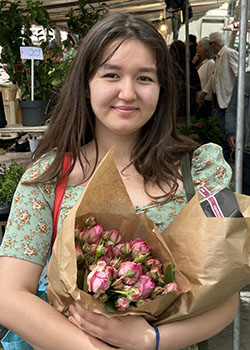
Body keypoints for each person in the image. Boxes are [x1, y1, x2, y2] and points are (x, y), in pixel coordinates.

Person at [0, 12, 238, 350]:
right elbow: (9, 295)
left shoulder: (202, 170)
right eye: (111, 75)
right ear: (86, 84)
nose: (127, 93)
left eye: (144, 78)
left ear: (161, 88)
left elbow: (227, 293)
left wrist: (150, 339)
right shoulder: (47, 178)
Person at [198, 32, 238, 161]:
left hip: (228, 100)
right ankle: (225, 155)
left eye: (210, 43)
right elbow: (213, 78)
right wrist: (204, 92)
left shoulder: (229, 54)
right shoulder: (218, 57)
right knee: (220, 128)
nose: (210, 46)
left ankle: (228, 155)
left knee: (227, 130)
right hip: (219, 100)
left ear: (215, 44)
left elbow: (238, 75)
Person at [225, 71, 250, 195]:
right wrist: (231, 131)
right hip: (246, 149)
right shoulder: (243, 79)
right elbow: (232, 109)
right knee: (245, 196)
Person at [169, 40, 201, 123]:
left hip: (171, 107)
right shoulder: (190, 67)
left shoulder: (168, 67)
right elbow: (198, 88)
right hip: (189, 107)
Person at [192, 38, 215, 119]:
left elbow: (211, 80)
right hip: (197, 98)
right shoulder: (200, 63)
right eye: (197, 46)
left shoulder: (210, 63)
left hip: (205, 99)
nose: (197, 48)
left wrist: (203, 93)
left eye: (200, 46)